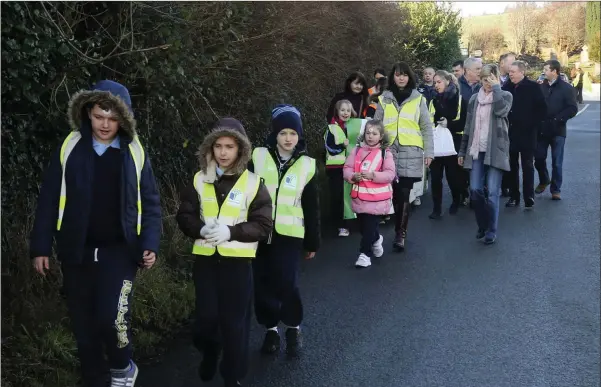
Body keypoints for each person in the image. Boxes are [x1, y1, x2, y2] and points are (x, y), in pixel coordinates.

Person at [29, 80, 162, 387]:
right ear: (88, 112)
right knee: (84, 326)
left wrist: (151, 242)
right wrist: (40, 246)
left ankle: (121, 368)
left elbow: (151, 202)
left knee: (112, 319)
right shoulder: (71, 147)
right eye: (99, 115)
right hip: (77, 252)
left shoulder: (135, 152)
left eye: (113, 117)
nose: (105, 124)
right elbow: (49, 198)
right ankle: (93, 379)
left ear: (123, 119)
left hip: (121, 251)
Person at [176, 118, 273, 387]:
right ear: (210, 148)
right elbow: (184, 215)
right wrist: (200, 228)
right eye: (218, 145)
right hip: (206, 261)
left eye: (229, 146)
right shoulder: (198, 179)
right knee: (206, 319)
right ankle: (209, 350)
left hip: (238, 263)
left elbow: (263, 225)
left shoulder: (254, 183)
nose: (223, 152)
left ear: (240, 149)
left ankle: (233, 377)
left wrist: (231, 232)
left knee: (234, 324)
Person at [248, 104, 320, 357]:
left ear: (299, 135)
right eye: (283, 133)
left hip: (290, 236)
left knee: (286, 282)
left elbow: (312, 207)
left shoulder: (307, 165)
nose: (288, 138)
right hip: (259, 234)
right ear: (274, 135)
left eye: (293, 133)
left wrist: (313, 241)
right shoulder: (257, 157)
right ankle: (270, 330)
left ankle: (293, 327)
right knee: (262, 283)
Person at [373, 62, 434, 252]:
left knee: (404, 193)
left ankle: (401, 234)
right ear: (392, 77)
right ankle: (378, 231)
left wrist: (429, 152)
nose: (401, 78)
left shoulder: (418, 99)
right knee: (389, 193)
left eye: (404, 75)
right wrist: (369, 147)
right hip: (388, 151)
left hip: (411, 151)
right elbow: (375, 126)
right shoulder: (384, 99)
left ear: (409, 77)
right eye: (398, 75)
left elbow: (426, 127)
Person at [458, 64, 513, 245]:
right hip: (476, 150)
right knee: (475, 190)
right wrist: (462, 150)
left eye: (491, 79)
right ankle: (482, 224)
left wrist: (496, 88)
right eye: (484, 79)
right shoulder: (474, 99)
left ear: (496, 79)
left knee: (492, 194)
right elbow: (468, 126)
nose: (487, 83)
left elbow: (500, 111)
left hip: (496, 150)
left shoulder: (505, 95)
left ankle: (491, 230)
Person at [343, 120, 395, 267]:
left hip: (377, 200)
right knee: (363, 227)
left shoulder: (385, 153)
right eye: (368, 133)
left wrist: (374, 176)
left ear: (381, 136)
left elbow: (390, 174)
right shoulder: (357, 150)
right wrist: (352, 176)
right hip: (359, 199)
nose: (370, 136)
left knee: (369, 228)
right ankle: (377, 239)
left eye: (374, 133)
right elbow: (347, 168)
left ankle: (365, 254)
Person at [503, 60, 547, 209]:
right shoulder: (506, 87)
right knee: (511, 166)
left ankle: (529, 196)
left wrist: (532, 124)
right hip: (510, 132)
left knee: (527, 165)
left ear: (522, 72)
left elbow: (542, 110)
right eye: (509, 72)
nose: (510, 74)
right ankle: (514, 196)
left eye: (513, 72)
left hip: (528, 133)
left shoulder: (533, 87)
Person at [534, 60, 578, 201]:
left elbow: (572, 108)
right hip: (542, 130)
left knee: (557, 162)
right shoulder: (541, 87)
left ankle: (556, 189)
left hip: (558, 130)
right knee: (539, 158)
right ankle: (544, 179)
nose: (544, 72)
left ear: (555, 71)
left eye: (546, 69)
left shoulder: (566, 88)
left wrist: (559, 119)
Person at [428, 70, 466, 219]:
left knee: (453, 176)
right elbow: (428, 121)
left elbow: (464, 123)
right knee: (436, 177)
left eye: (439, 82)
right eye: (434, 82)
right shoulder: (433, 100)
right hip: (436, 143)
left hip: (453, 144)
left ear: (448, 82)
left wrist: (448, 124)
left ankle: (456, 200)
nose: (436, 85)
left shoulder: (460, 100)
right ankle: (436, 208)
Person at [325, 99, 355, 236]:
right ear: (337, 111)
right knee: (337, 197)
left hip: (350, 168)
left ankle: (349, 223)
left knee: (349, 196)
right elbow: (330, 147)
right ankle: (339, 225)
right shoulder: (331, 128)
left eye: (348, 110)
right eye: (342, 110)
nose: (346, 113)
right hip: (335, 169)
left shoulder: (352, 127)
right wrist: (342, 146)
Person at [457, 57, 483, 205]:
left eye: (481, 68)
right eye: (477, 69)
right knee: (460, 165)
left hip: (479, 132)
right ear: (467, 70)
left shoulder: (483, 86)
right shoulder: (456, 85)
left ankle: (477, 194)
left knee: (476, 164)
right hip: (461, 132)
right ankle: (463, 194)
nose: (480, 72)